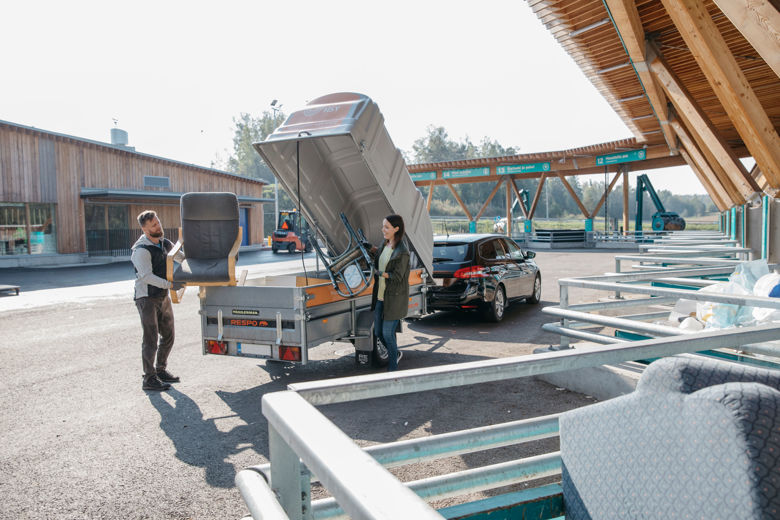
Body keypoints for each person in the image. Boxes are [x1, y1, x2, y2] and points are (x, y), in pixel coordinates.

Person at [131, 210, 184, 391]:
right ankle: (149, 378)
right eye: (153, 225)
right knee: (151, 339)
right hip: (146, 298)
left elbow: (181, 258)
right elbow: (146, 276)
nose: (158, 226)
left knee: (168, 335)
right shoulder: (141, 250)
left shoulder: (164, 243)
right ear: (145, 230)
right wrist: (171, 284)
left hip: (162, 295)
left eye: (158, 222)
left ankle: (160, 370)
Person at [368, 214, 410, 371]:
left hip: (394, 299)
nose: (383, 229)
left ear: (396, 229)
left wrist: (380, 273)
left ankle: (392, 372)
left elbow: (397, 277)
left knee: (387, 333)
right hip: (380, 296)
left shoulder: (403, 252)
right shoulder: (385, 244)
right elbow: (381, 254)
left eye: (387, 227)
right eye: (383, 226)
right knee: (378, 332)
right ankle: (395, 353)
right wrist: (371, 249)